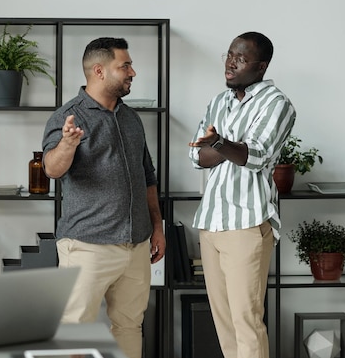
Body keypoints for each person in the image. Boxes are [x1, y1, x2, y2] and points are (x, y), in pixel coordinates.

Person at [42, 37, 166, 358]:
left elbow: (147, 176)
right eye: (124, 66)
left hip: (136, 245)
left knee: (129, 326)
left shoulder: (131, 118)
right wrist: (68, 145)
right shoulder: (68, 117)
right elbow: (52, 169)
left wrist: (157, 227)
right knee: (74, 331)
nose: (132, 72)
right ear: (99, 70)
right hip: (86, 246)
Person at [188, 32, 296, 358]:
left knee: (246, 321)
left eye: (242, 58)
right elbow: (196, 156)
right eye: (230, 54)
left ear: (261, 66)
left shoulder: (277, 104)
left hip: (246, 223)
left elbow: (256, 156)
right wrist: (226, 146)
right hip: (211, 222)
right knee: (224, 324)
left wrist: (219, 143)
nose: (231, 62)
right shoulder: (218, 102)